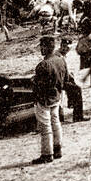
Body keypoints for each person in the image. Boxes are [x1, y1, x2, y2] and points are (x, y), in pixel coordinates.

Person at [32, 36, 68, 164]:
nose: (40, 49)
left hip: (44, 99)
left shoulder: (43, 65)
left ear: (46, 47)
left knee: (45, 127)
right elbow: (66, 78)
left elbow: (39, 84)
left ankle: (47, 154)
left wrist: (34, 82)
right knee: (56, 122)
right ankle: (57, 149)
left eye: (42, 47)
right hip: (56, 96)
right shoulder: (60, 60)